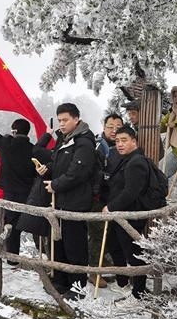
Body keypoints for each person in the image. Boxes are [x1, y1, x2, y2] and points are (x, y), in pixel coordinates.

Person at [41, 102, 97, 300]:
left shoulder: (84, 142)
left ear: (76, 119)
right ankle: (61, 281)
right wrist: (47, 169)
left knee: (75, 246)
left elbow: (78, 173)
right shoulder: (66, 140)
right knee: (60, 243)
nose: (61, 124)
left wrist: (56, 185)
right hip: (61, 201)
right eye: (59, 120)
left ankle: (78, 286)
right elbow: (58, 163)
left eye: (65, 120)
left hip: (76, 201)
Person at [0, 108, 40, 263]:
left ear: (14, 131)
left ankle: (12, 259)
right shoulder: (33, 149)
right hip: (29, 194)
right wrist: (48, 134)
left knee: (11, 228)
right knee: (35, 225)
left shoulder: (6, 144)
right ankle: (45, 257)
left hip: (10, 194)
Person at [102, 125, 151, 301]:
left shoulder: (136, 162)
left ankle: (139, 293)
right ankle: (123, 283)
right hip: (120, 213)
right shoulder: (125, 159)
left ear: (134, 141)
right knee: (116, 247)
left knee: (134, 253)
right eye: (117, 141)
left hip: (131, 215)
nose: (120, 144)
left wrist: (110, 207)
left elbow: (131, 192)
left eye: (124, 140)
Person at [88, 113, 124, 287]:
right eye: (110, 127)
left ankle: (103, 266)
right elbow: (93, 173)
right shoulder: (97, 147)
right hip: (96, 197)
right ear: (103, 127)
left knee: (109, 233)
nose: (114, 130)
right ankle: (94, 271)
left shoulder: (120, 146)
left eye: (118, 127)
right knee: (98, 233)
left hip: (113, 198)